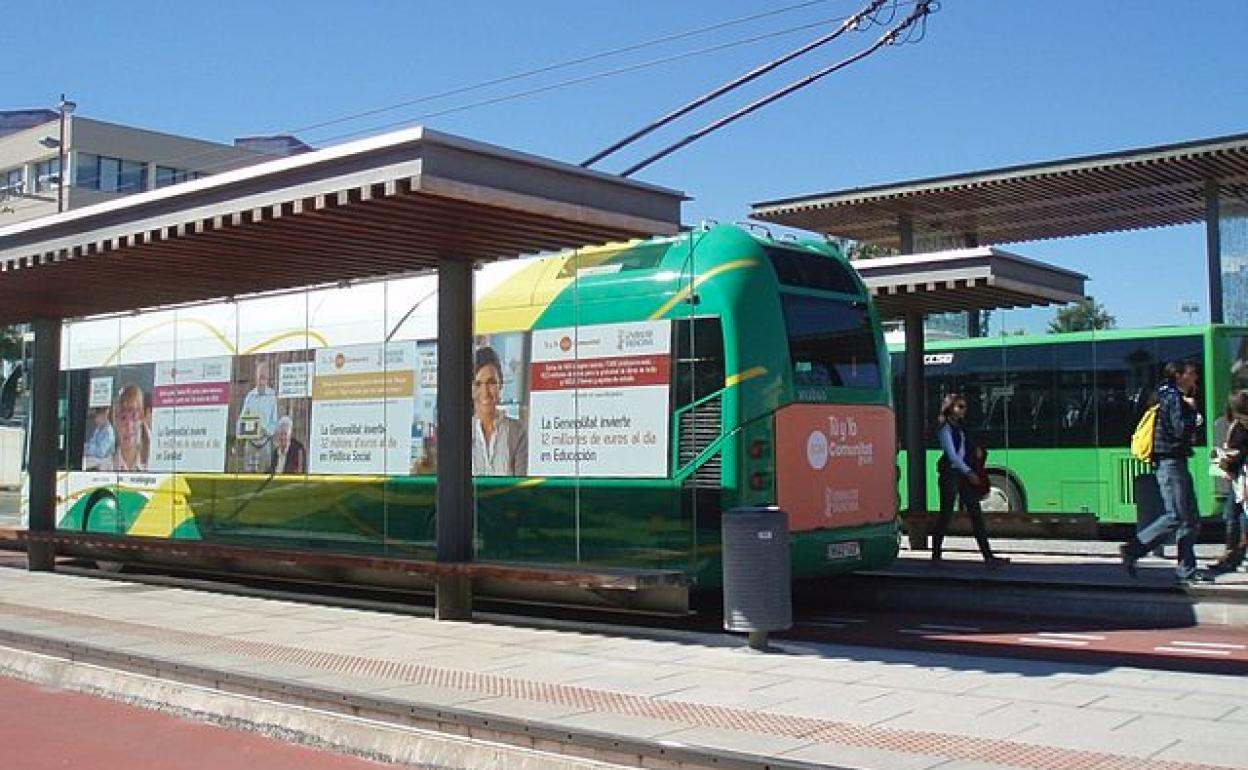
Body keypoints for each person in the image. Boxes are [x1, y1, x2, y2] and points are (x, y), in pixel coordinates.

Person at [1122, 362, 1204, 582]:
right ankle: (1134, 549)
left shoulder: (1164, 394)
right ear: (1179, 376)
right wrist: (1194, 413)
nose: (1195, 378)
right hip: (1170, 462)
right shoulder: (1173, 397)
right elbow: (1179, 429)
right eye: (1192, 374)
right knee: (1177, 516)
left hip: (1174, 461)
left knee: (1190, 518)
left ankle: (1186, 571)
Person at [930, 393, 1009, 567]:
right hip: (951, 474)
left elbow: (966, 447)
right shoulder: (945, 429)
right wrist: (969, 472)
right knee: (946, 514)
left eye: (964, 407)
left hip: (964, 474)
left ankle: (988, 555)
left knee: (975, 513)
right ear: (950, 408)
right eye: (960, 407)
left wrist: (976, 453)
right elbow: (952, 456)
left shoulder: (962, 427)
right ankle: (936, 553)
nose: (963, 410)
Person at [1208, 391, 1248, 573]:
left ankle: (1234, 556)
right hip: (1238, 479)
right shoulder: (1238, 425)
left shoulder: (1241, 427)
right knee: (1233, 515)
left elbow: (1239, 452)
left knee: (1237, 516)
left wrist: (1225, 461)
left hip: (1242, 478)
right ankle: (1233, 556)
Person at [471, 346, 527, 476]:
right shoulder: (460, 433)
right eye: (478, 384)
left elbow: (522, 488)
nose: (485, 392)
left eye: (491, 383)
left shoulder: (517, 431)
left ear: (501, 384)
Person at [101, 384, 149, 472]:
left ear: (142, 421)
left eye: (134, 417)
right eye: (123, 418)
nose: (129, 425)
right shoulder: (104, 468)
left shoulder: (152, 465)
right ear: (116, 423)